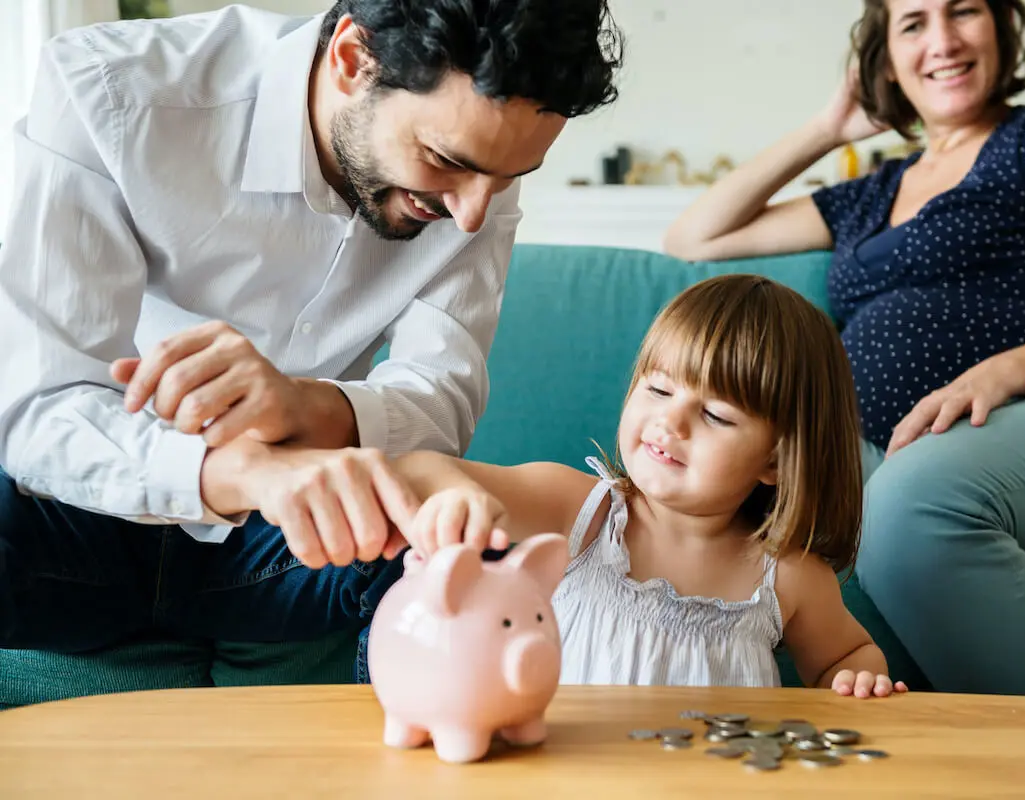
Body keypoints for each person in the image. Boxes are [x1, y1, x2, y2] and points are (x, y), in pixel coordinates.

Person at [0, 0, 622, 670]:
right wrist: (247, 471)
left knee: (458, 551)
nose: (471, 215)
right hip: (78, 526)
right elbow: (40, 410)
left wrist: (307, 407)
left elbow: (440, 402)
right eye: (445, 160)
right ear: (352, 59)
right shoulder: (114, 92)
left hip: (286, 552)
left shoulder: (477, 181)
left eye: (506, 182)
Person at [662, 0, 1025, 700]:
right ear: (884, 58)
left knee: (910, 512)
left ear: (1001, 30)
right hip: (899, 441)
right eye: (913, 23)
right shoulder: (871, 192)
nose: (942, 39)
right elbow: (693, 238)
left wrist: (1006, 371)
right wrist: (827, 129)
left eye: (964, 11)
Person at [391, 274, 907, 695]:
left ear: (775, 461)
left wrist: (858, 680)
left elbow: (846, 656)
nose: (671, 422)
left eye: (715, 415)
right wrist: (456, 495)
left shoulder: (788, 575)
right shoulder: (580, 512)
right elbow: (423, 471)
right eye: (658, 388)